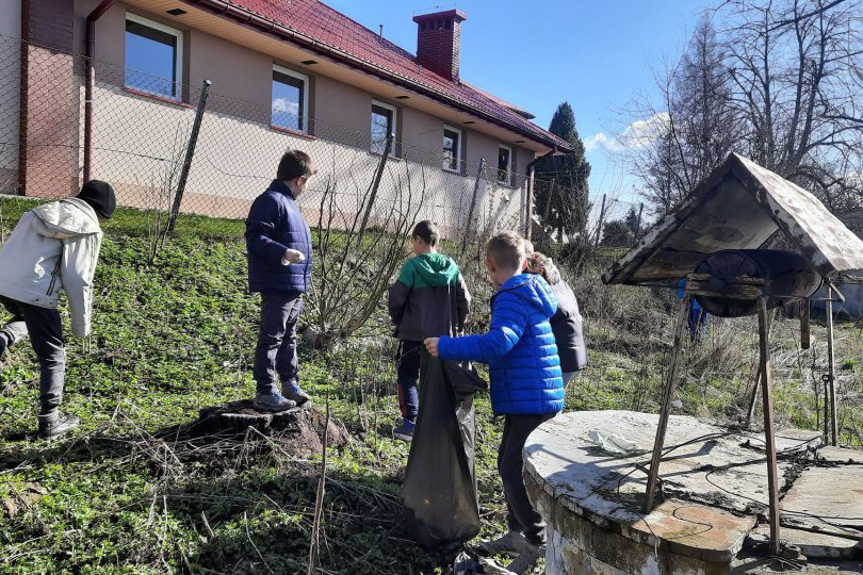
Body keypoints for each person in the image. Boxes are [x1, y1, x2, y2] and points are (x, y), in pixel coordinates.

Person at [424, 231, 563, 575]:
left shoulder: (512, 295)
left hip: (532, 399)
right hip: (532, 397)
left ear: (489, 264)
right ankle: (519, 533)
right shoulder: (529, 290)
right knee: (507, 463)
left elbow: (500, 342)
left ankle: (537, 541)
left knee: (513, 471)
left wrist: (448, 347)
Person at [0, 180, 116, 438]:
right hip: (34, 291)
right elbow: (78, 277)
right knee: (53, 354)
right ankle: (50, 421)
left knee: (24, 316)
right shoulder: (88, 227)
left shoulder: (38, 211)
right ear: (100, 213)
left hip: (3, 282)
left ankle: (2, 339)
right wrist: (81, 326)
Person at [387, 220, 470, 442]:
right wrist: (457, 325)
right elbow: (465, 300)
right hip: (444, 338)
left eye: (413, 241)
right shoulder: (451, 267)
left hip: (414, 335)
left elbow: (396, 299)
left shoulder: (412, 267)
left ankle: (411, 424)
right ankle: (438, 426)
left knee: (407, 375)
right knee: (438, 380)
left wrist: (399, 320)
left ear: (419, 240)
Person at [246, 150, 315, 412]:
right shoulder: (270, 201)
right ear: (299, 179)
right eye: (307, 182)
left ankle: (289, 382)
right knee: (272, 337)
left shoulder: (289, 203)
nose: (306, 187)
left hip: (293, 285)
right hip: (278, 283)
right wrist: (283, 253)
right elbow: (255, 238)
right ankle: (265, 391)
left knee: (289, 338)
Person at [526, 251, 586, 387]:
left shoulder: (541, 289)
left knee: (549, 403)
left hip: (562, 357)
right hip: (575, 354)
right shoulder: (560, 284)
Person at [678, 277, 708, 343]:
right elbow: (682, 281)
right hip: (694, 299)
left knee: (701, 322)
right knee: (693, 322)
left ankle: (697, 342)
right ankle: (693, 342)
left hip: (705, 300)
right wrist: (681, 297)